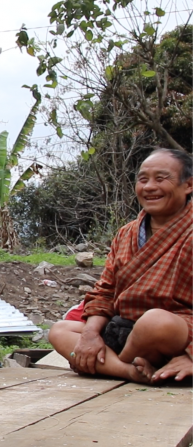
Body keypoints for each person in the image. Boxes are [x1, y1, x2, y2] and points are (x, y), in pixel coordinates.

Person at [48, 149, 192, 384]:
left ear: (188, 185)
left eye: (161, 179)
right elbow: (105, 291)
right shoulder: (127, 233)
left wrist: (191, 357)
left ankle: (111, 365)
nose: (149, 187)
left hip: (174, 333)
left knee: (154, 322)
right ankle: (132, 372)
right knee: (60, 330)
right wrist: (90, 334)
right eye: (143, 179)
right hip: (123, 330)